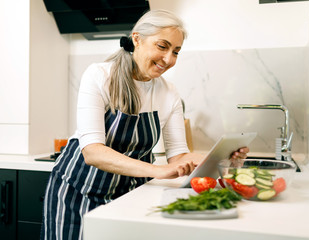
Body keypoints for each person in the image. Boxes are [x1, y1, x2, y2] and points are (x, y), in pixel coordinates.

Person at [41, 9, 249, 240]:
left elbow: (178, 155)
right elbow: (93, 153)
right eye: (162, 46)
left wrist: (220, 158)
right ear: (137, 39)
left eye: (176, 52)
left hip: (129, 196)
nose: (169, 59)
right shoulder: (100, 75)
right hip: (77, 193)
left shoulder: (168, 92)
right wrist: (158, 171)